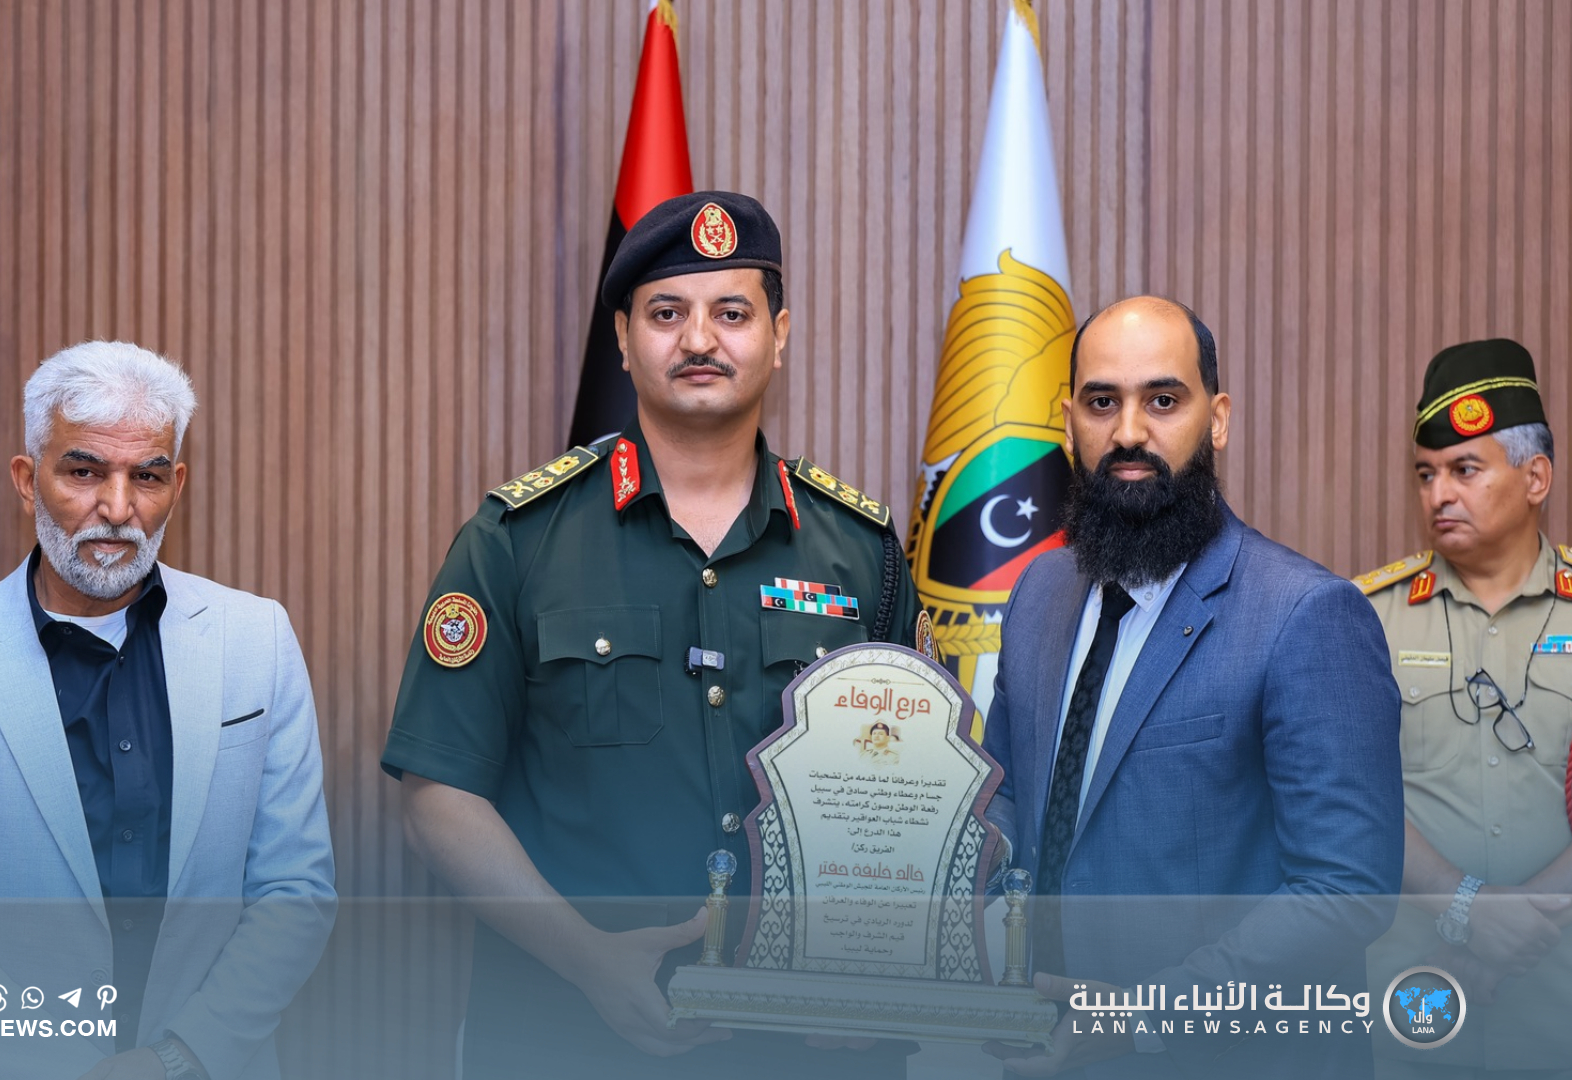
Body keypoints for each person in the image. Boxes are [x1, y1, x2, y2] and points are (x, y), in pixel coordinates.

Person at [381, 191, 922, 1079]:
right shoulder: (516, 539)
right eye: (667, 313)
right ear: (624, 341)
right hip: (566, 1037)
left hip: (804, 1044)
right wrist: (588, 960)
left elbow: (910, 800)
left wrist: (877, 971)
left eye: (732, 313)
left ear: (779, 336)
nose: (700, 339)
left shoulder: (863, 551)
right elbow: (439, 796)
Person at [0, 342, 336, 1080]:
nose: (117, 508)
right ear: (28, 480)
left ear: (175, 484)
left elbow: (294, 891)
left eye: (146, 476)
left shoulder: (257, 639)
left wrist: (177, 1059)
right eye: (83, 472)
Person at [979, 296, 1403, 1078]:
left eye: (1163, 400)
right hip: (1038, 1052)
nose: (1129, 432)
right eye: (1101, 402)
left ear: (1219, 419)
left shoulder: (1306, 614)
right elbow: (1004, 792)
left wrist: (1135, 1018)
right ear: (1068, 422)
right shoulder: (1039, 591)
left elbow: (1346, 890)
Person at [1355, 338, 1572, 1078]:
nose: (1439, 494)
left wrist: (1523, 919)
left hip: (1559, 1013)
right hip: (1412, 1010)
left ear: (1535, 477)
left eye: (1465, 470)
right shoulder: (1363, 616)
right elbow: (1347, 799)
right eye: (1426, 474)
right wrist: (1466, 908)